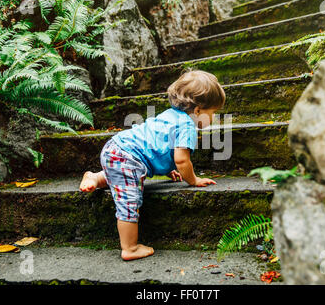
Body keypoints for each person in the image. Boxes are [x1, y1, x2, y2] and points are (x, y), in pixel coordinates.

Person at [79, 69, 226, 261]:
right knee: (129, 200)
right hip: (128, 156)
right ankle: (130, 248)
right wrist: (193, 180)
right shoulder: (188, 126)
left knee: (124, 177)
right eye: (213, 112)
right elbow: (182, 159)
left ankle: (96, 177)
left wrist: (169, 169)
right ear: (198, 110)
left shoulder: (171, 115)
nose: (214, 118)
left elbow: (159, 147)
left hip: (117, 149)